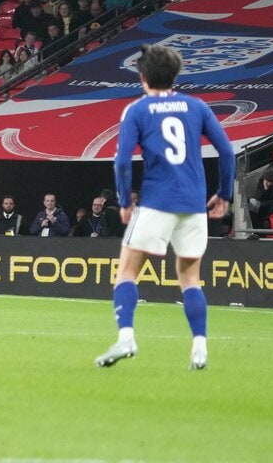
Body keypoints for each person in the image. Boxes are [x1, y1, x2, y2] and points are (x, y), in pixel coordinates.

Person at [96, 45, 234, 371]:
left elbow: (122, 161)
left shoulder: (137, 110)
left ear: (142, 77)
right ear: (175, 74)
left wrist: (124, 200)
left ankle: (126, 337)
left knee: (127, 270)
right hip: (193, 204)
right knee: (190, 278)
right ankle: (199, 347)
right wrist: (223, 194)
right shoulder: (197, 106)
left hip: (157, 201)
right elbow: (227, 152)